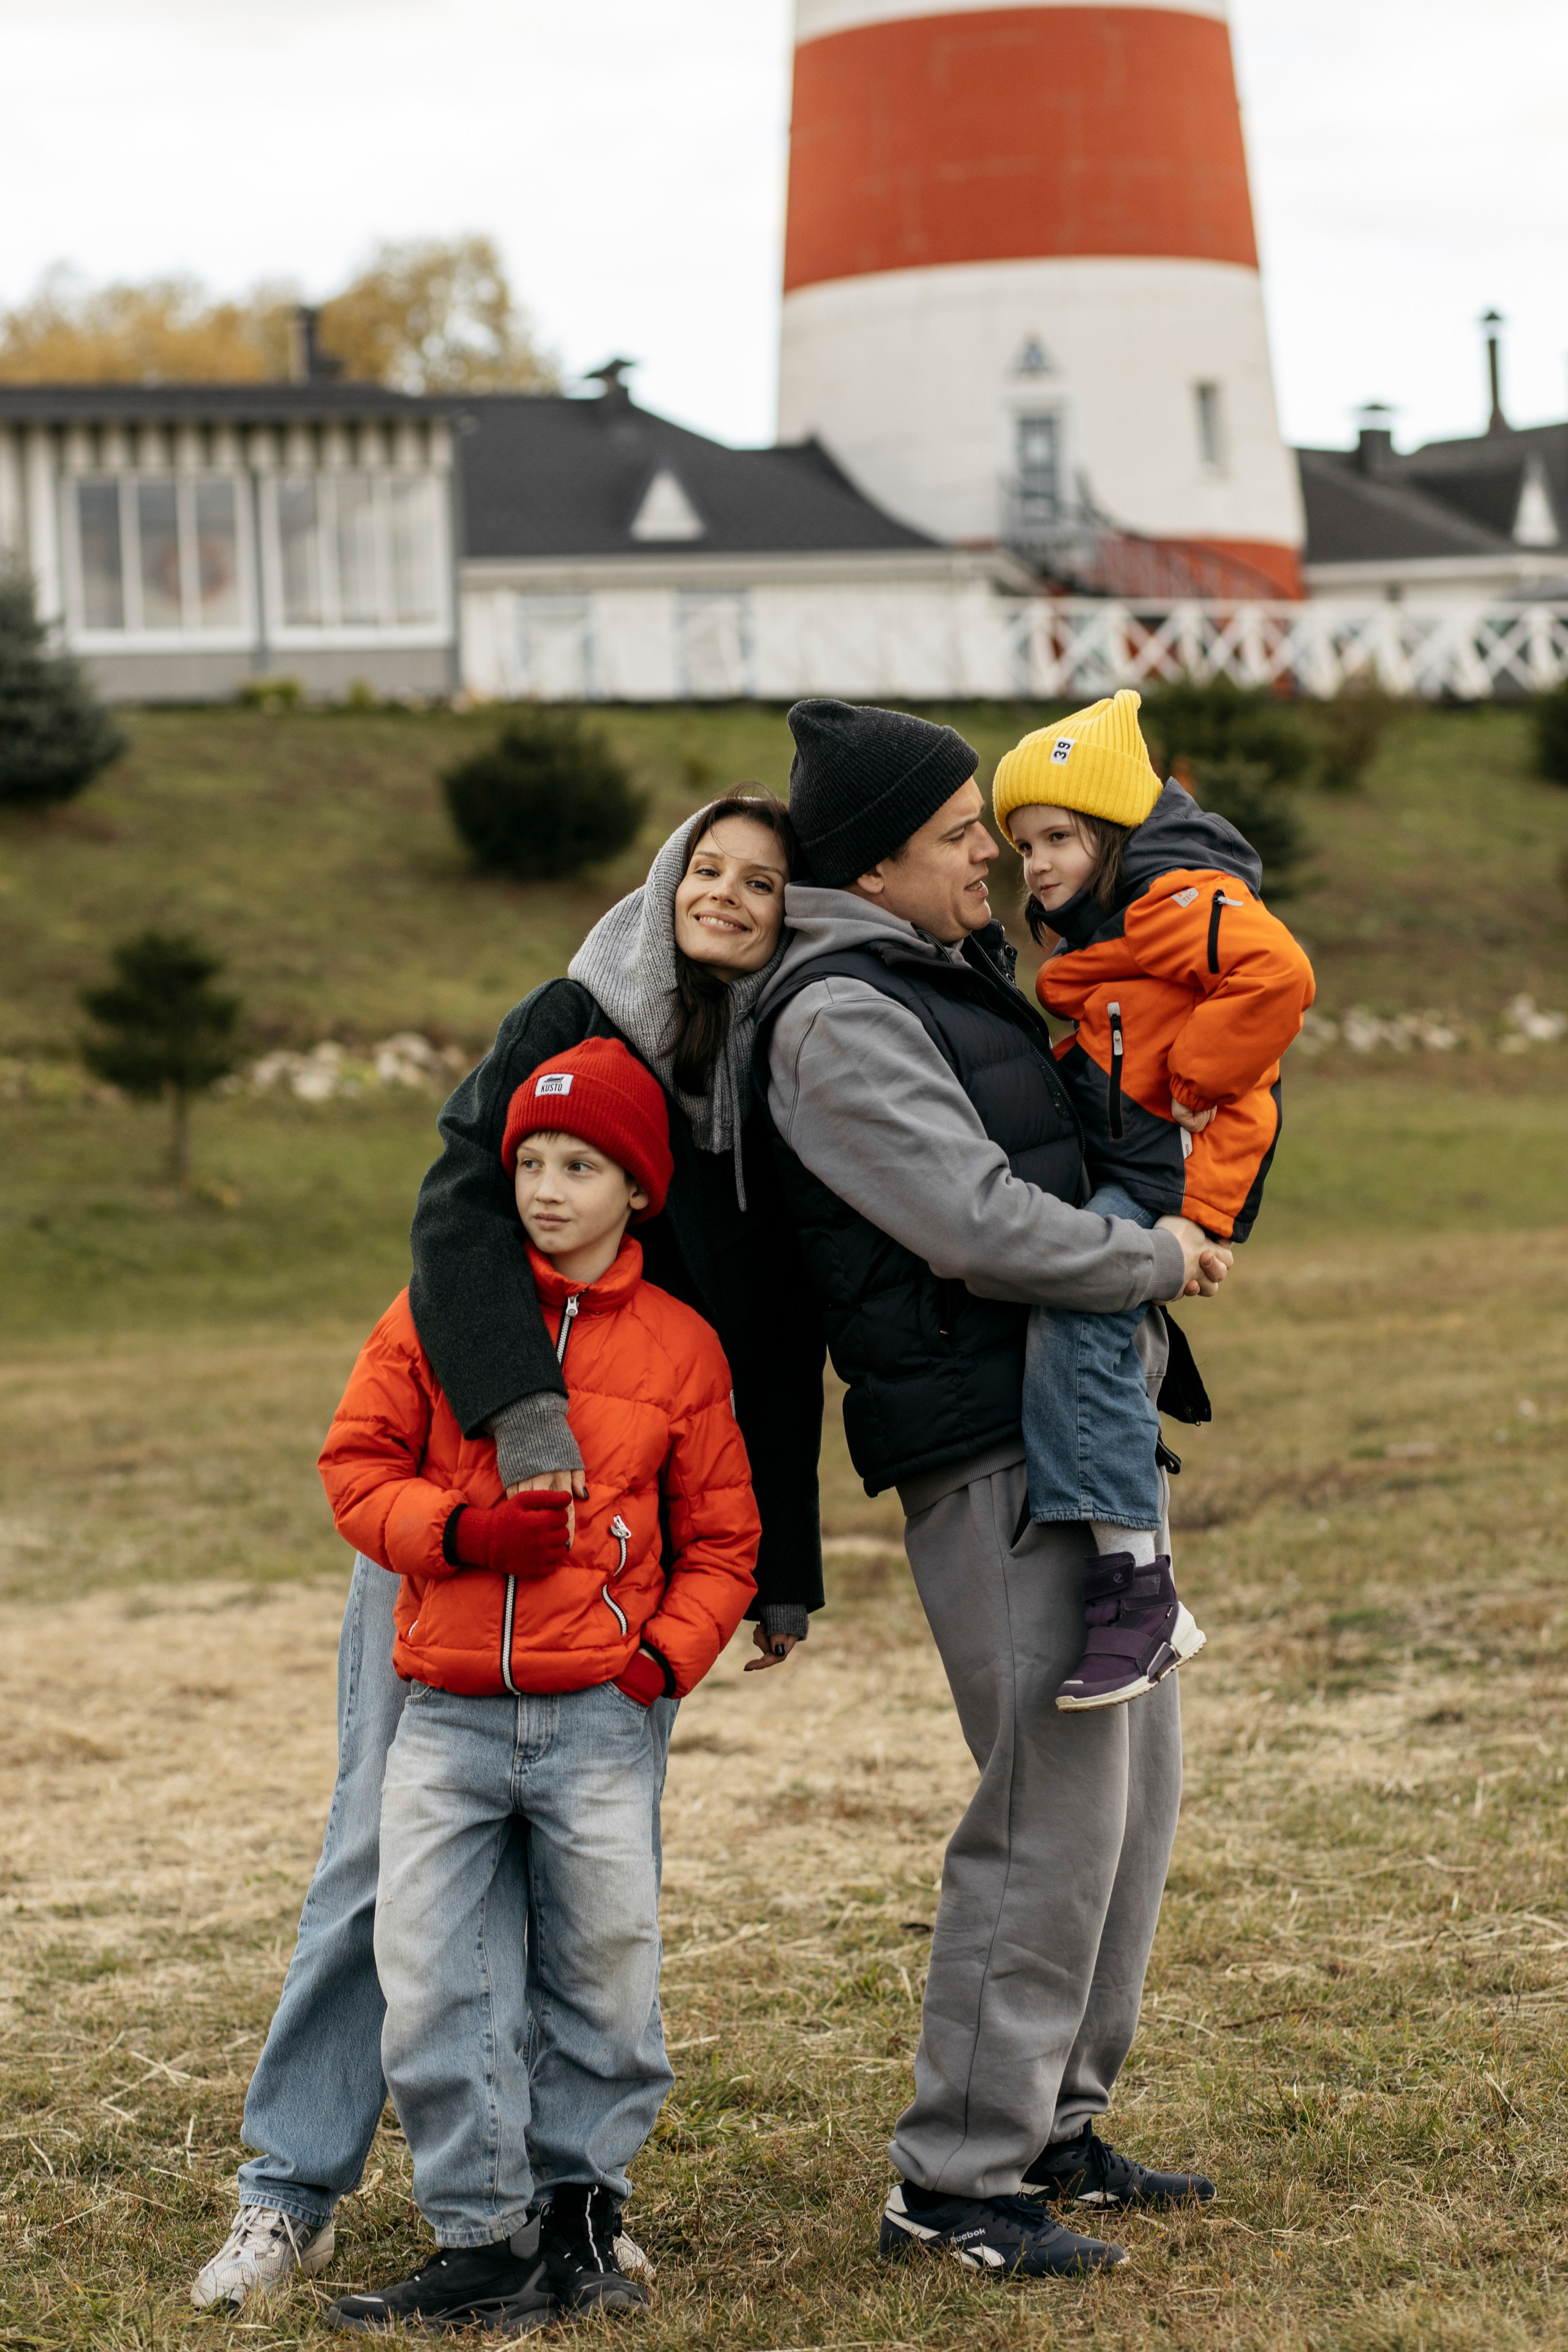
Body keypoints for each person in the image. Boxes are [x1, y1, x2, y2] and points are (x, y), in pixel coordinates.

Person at [192, 793, 824, 2313]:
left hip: (626, 1574)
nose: (728, 897)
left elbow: (765, 1334)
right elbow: (457, 1229)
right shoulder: (569, 1015)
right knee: (376, 1859)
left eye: (763, 884)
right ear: (667, 876)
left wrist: (770, 1564)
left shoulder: (783, 1064)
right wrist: (513, 1454)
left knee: (588, 1891)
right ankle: (292, 2189)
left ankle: (564, 2208)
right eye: (709, 869)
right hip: (465, 1535)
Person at [754, 699, 1231, 2283]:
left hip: (1073, 1424)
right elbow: (969, 1223)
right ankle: (952, 2181)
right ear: (876, 861)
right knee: (1044, 1808)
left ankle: (1051, 2127)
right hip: (988, 1440)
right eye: (964, 833)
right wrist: (1151, 1258)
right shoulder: (837, 1016)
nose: (993, 856)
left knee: (1127, 1800)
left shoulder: (944, 979)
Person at [315, 1040, 759, 2333]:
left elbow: (724, 1539)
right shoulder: (436, 1315)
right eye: (526, 1163)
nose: (547, 1188)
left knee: (607, 1971)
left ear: (638, 1190)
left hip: (595, 1723)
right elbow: (353, 1469)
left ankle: (582, 2209)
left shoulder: (678, 1348)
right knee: (429, 1975)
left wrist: (656, 1662)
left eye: (580, 1165)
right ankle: (481, 2234)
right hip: (444, 1718)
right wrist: (459, 1537)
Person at [992, 690, 1315, 1711]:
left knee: (1080, 1301)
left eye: (1055, 837)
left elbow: (1280, 975)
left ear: (1114, 829)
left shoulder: (1175, 899)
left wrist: (1191, 1083)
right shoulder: (1106, 926)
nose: (1034, 863)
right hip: (1141, 1168)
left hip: (1174, 1168)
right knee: (1080, 1306)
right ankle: (1125, 1565)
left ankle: (1139, 1591)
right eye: (1021, 844)